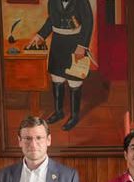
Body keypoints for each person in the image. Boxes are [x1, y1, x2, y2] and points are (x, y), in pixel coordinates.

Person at [28, 0, 94, 131]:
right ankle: (59, 112)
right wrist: (40, 35)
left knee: (74, 81)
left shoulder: (82, 2)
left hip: (75, 44)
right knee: (57, 78)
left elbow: (88, 22)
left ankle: (74, 116)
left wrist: (82, 46)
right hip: (57, 43)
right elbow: (51, 20)